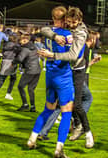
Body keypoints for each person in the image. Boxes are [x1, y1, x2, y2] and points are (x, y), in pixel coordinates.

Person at [39, 7, 94, 148]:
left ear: (80, 20)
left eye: (73, 22)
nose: (70, 24)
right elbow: (44, 30)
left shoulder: (81, 33)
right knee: (64, 103)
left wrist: (52, 55)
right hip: (66, 70)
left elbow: (73, 55)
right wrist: (55, 36)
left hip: (77, 70)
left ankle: (86, 131)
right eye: (68, 21)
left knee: (76, 103)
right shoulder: (66, 29)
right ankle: (75, 126)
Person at [27, 6, 74, 158]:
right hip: (63, 75)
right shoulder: (66, 34)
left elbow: (44, 30)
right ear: (65, 19)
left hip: (50, 75)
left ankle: (32, 139)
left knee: (48, 109)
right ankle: (59, 149)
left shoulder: (49, 33)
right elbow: (72, 55)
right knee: (67, 112)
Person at [0, 34, 21, 104]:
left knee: (1, 80)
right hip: (11, 62)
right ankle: (8, 93)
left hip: (4, 62)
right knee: (13, 78)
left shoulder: (5, 45)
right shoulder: (16, 46)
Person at [14, 33, 41, 112]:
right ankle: (33, 107)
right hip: (37, 70)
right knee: (31, 89)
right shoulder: (34, 47)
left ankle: (25, 104)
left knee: (20, 86)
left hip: (30, 70)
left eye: (21, 40)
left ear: (25, 40)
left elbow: (20, 59)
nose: (20, 42)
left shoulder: (25, 49)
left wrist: (13, 62)